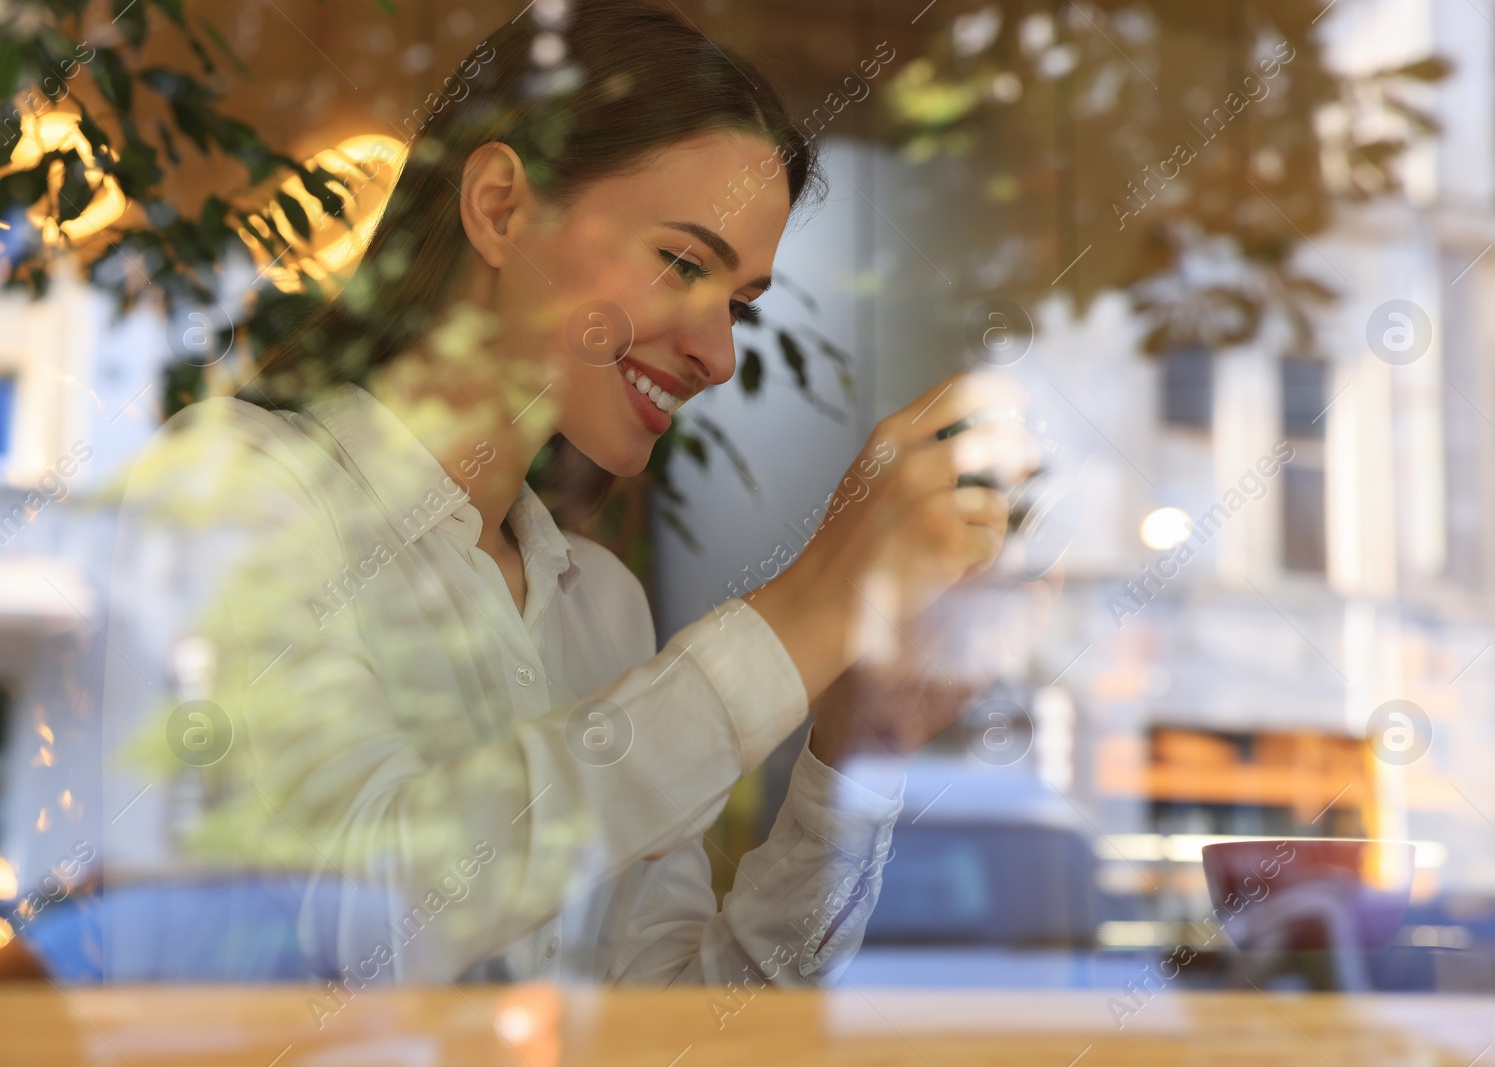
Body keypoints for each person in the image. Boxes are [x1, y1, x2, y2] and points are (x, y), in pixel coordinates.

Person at [85, 0, 1049, 988]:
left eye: (738, 305)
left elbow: (677, 1025)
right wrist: (808, 607)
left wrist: (854, 750)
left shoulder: (600, 603)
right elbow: (365, 912)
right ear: (501, 207)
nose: (717, 354)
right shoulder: (235, 484)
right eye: (681, 261)